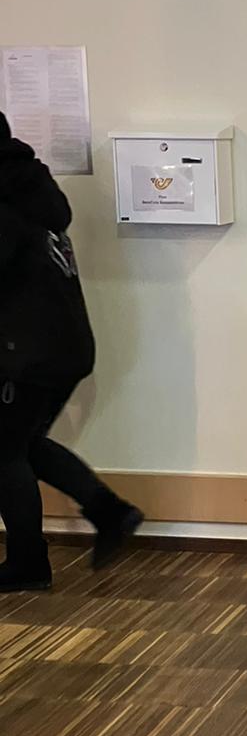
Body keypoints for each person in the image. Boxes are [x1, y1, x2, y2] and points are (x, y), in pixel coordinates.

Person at [0, 113, 142, 591]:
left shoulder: (4, 203)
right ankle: (109, 512)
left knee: (4, 454)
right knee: (21, 443)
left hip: (25, 352)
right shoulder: (27, 184)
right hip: (62, 345)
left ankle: (28, 563)